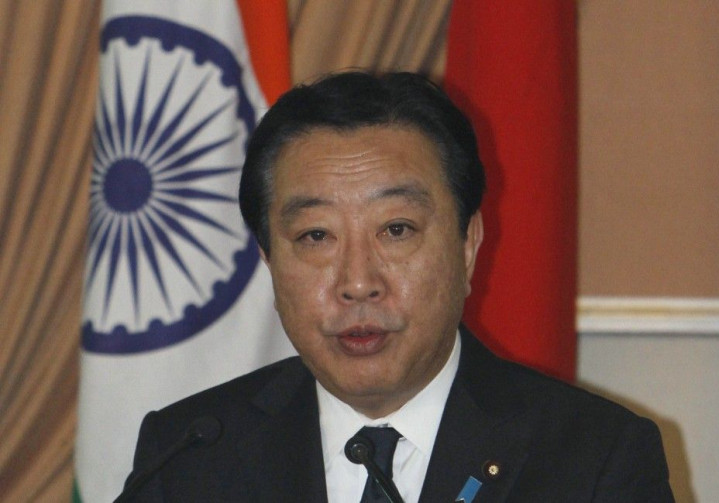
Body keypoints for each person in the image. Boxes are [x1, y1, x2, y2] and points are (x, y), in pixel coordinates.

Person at [122, 72, 674, 502]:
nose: (358, 283)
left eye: (396, 229)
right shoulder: (190, 455)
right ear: (269, 259)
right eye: (316, 235)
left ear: (467, 244)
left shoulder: (595, 459)